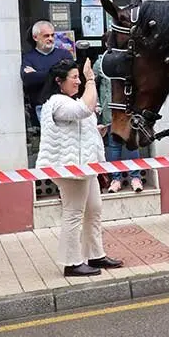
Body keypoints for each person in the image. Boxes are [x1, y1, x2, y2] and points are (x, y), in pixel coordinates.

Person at [35, 58, 123, 277]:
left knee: (94, 209)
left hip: (84, 167)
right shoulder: (57, 102)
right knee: (74, 213)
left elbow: (80, 124)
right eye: (74, 78)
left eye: (79, 77)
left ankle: (95, 255)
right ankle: (71, 263)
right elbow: (85, 109)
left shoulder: (70, 101)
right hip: (70, 170)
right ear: (59, 81)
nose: (78, 82)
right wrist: (91, 79)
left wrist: (98, 131)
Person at [93, 52, 143, 194]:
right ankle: (116, 179)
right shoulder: (101, 62)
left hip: (129, 109)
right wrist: (97, 104)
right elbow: (94, 85)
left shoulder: (130, 59)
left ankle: (135, 177)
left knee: (132, 144)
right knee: (114, 145)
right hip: (111, 110)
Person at [21, 20, 74, 124]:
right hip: (41, 107)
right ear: (35, 37)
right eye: (46, 36)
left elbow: (69, 76)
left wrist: (38, 73)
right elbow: (29, 79)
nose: (50, 38)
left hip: (64, 105)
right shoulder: (28, 58)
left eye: (52, 35)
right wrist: (56, 73)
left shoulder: (64, 54)